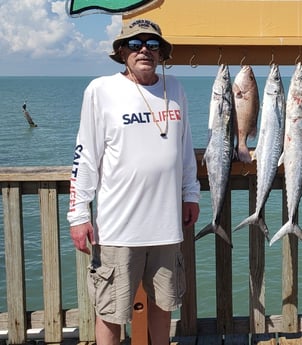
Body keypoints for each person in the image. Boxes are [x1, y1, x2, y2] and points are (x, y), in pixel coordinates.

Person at [67, 19, 200, 345]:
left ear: (161, 53)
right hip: (117, 229)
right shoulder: (101, 90)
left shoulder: (176, 90)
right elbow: (85, 155)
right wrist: (79, 214)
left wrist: (191, 193)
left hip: (166, 228)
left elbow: (184, 149)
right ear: (122, 51)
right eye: (136, 44)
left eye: (153, 45)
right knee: (111, 312)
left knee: (164, 305)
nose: (145, 50)